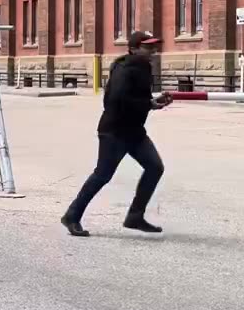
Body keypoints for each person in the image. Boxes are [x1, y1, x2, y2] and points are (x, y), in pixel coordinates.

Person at [61, 31, 172, 237]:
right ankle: (72, 216)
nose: (153, 51)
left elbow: (137, 99)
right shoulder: (125, 68)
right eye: (148, 47)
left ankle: (134, 217)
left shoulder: (143, 67)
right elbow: (114, 101)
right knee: (102, 175)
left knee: (155, 167)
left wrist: (154, 103)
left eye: (154, 47)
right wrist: (148, 104)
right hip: (114, 131)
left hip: (134, 131)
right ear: (134, 48)